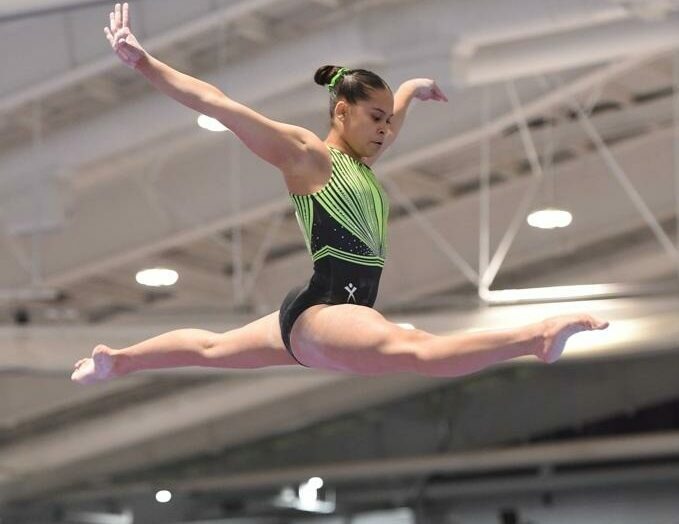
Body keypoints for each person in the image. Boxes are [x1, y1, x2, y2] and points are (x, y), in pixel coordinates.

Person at [71, 3, 608, 384]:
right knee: (416, 350)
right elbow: (217, 103)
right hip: (328, 308)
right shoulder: (306, 156)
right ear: (340, 112)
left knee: (214, 348)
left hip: (321, 312)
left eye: (385, 120)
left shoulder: (361, 160)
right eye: (373, 118)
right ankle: (535, 336)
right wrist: (144, 64)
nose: (384, 128)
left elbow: (391, 123)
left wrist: (411, 90)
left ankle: (118, 360)